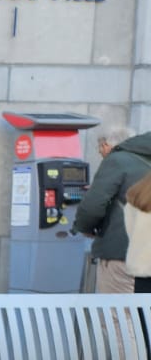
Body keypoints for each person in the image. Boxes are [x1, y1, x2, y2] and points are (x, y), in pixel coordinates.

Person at [75, 124, 151, 294]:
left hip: (121, 253)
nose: (100, 152)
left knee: (117, 317)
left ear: (106, 145)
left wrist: (85, 228)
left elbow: (92, 207)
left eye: (100, 147)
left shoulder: (116, 160)